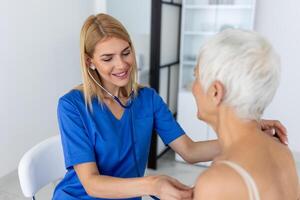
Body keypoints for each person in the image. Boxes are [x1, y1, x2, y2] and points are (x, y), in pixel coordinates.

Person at [52, 13, 288, 200]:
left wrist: (248, 135)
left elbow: (190, 150)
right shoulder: (72, 106)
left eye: (126, 53)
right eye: (108, 58)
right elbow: (91, 184)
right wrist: (153, 184)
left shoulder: (147, 99)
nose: (121, 64)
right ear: (89, 62)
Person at [192, 29, 299, 200]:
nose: (193, 87)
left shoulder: (218, 180)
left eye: (195, 76)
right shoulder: (283, 154)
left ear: (215, 92)